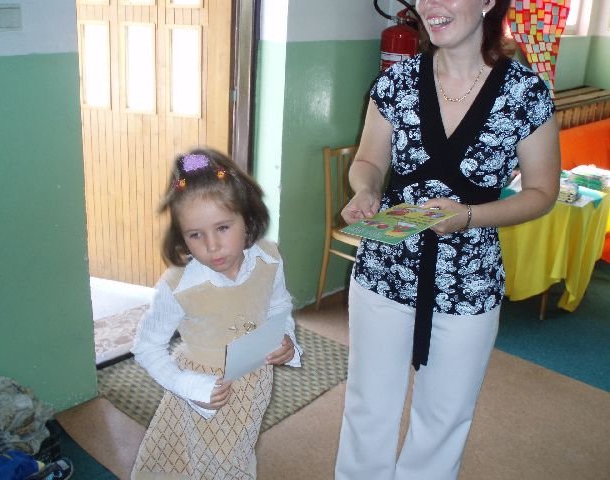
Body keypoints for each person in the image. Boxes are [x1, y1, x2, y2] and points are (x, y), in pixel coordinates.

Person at [335, 0, 560, 479]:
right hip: (385, 271)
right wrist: (367, 190)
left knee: (443, 419)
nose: (430, 5)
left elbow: (542, 193)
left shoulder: (525, 93)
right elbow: (368, 161)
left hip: (469, 282)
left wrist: (471, 216)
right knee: (368, 406)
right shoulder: (395, 82)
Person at [130, 148, 302, 479]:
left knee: (236, 453)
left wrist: (287, 340)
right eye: (195, 235)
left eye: (223, 227)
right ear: (182, 236)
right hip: (201, 391)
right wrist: (187, 384)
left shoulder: (268, 258)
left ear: (247, 219)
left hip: (254, 386)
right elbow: (147, 346)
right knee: (201, 463)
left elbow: (279, 304)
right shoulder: (179, 285)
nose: (211, 246)